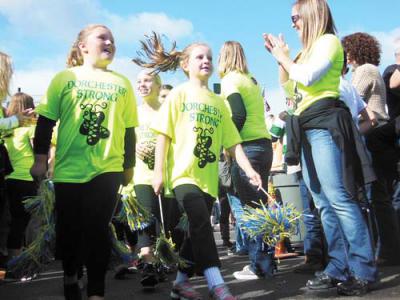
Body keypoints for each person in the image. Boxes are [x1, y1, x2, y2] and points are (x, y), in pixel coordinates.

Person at [134, 32, 262, 300]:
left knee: (195, 231)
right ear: (185, 64)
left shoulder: (218, 103)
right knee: (201, 224)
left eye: (209, 57)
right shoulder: (178, 95)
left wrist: (250, 170)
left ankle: (180, 282)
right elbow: (163, 136)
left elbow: (233, 144)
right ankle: (217, 285)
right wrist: (158, 172)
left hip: (208, 179)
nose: (206, 61)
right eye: (199, 57)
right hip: (183, 177)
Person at [263, 0, 377, 296]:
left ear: (311, 14)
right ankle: (338, 266)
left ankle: (363, 269)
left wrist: (285, 59)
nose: (292, 23)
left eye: (295, 17)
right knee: (323, 203)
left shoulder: (328, 42)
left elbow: (308, 77)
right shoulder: (305, 52)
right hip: (307, 127)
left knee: (339, 198)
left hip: (326, 124)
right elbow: (291, 90)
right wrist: (283, 60)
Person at [30, 24, 138, 300]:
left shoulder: (123, 83)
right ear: (83, 47)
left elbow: (128, 130)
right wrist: (40, 160)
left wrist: (128, 167)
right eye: (102, 37)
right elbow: (45, 122)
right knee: (70, 232)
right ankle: (70, 276)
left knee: (98, 229)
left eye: (112, 39)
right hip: (69, 170)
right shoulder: (64, 78)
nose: (109, 42)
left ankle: (96, 293)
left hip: (107, 169)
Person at [218, 41, 274, 280]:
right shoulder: (251, 79)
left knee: (250, 211)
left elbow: (238, 113)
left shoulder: (230, 79)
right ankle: (267, 263)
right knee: (259, 209)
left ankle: (259, 266)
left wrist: (229, 146)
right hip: (263, 145)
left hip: (246, 148)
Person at [342, 32, 400, 266]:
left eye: (346, 51)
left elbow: (350, 101)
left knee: (378, 198)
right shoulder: (369, 69)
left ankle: (387, 251)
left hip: (374, 136)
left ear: (354, 51)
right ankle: (387, 250)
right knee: (380, 198)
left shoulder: (365, 70)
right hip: (378, 136)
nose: (344, 57)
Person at [131, 69, 176, 288]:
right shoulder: (133, 112)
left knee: (161, 223)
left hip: (165, 175)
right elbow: (125, 140)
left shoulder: (167, 112)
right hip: (141, 175)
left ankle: (159, 262)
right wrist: (135, 147)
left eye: (147, 80)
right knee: (144, 221)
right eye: (139, 81)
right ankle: (147, 264)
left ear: (158, 85)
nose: (142, 84)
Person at [3, 93, 36, 263]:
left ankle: (13, 261)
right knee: (22, 222)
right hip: (27, 178)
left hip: (9, 179)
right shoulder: (30, 127)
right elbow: (38, 152)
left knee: (15, 221)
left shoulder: (7, 130)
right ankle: (15, 264)